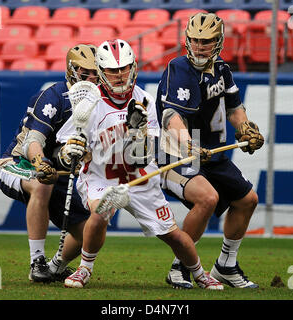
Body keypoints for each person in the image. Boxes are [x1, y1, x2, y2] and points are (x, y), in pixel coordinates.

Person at [60, 39, 223, 290]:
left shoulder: (144, 100)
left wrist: (138, 134)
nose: (120, 75)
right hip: (101, 176)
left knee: (173, 235)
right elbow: (66, 147)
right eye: (113, 70)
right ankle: (84, 268)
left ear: (133, 67)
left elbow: (146, 153)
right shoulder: (90, 103)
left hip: (138, 175)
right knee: (100, 211)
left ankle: (200, 273)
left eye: (124, 68)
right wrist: (71, 150)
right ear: (103, 72)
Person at [155, 12, 264, 289]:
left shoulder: (222, 70)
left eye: (207, 41)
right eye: (195, 40)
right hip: (179, 150)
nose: (200, 46)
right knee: (207, 198)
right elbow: (171, 117)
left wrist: (246, 129)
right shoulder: (178, 68)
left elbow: (234, 108)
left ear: (218, 41)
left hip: (213, 151)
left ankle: (226, 265)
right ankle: (180, 267)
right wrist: (189, 144)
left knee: (248, 199)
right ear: (187, 40)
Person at [0, 44, 98, 283]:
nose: (92, 77)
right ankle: (37, 261)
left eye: (96, 72)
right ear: (72, 70)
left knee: (90, 233)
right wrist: (40, 163)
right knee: (42, 184)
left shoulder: (101, 101)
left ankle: (54, 267)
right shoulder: (54, 96)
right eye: (86, 71)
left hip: (61, 170)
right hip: (20, 161)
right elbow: (34, 139)